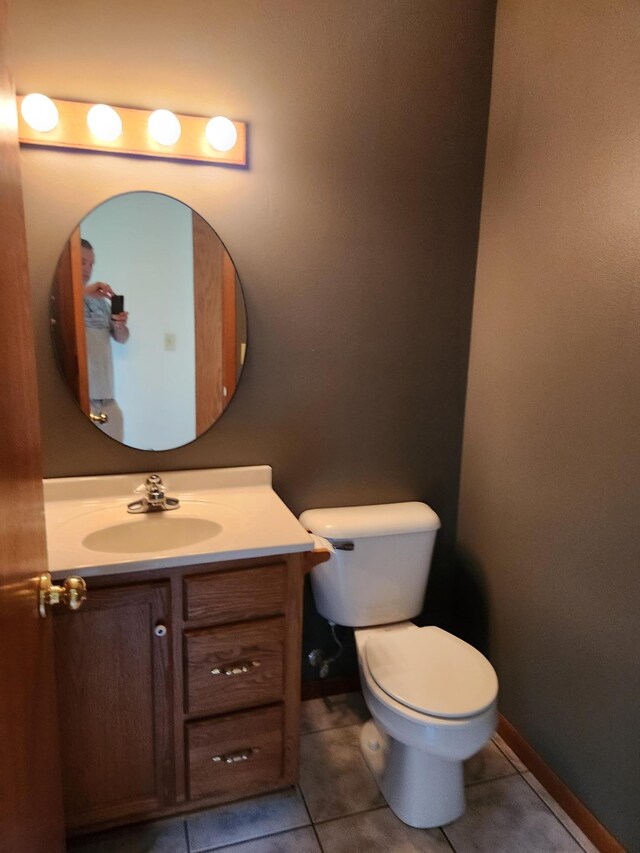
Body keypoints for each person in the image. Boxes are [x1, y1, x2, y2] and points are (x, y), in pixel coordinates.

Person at [81, 238, 129, 441]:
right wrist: (82, 293)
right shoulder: (62, 298)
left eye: (91, 264)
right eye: (83, 262)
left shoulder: (101, 302)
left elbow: (122, 338)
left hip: (107, 396)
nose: (88, 268)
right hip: (81, 397)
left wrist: (119, 324)